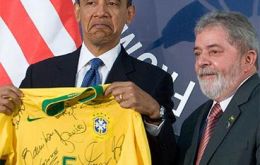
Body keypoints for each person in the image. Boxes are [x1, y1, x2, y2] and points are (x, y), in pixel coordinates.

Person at [0, 0, 177, 164]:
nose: (101, 12)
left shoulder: (154, 80)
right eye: (91, 3)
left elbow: (169, 157)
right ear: (77, 11)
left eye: (112, 3)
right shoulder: (39, 75)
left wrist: (155, 113)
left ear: (129, 14)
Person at [177, 11, 260, 165]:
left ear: (248, 59)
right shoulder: (192, 123)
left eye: (214, 52)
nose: (201, 61)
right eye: (197, 53)